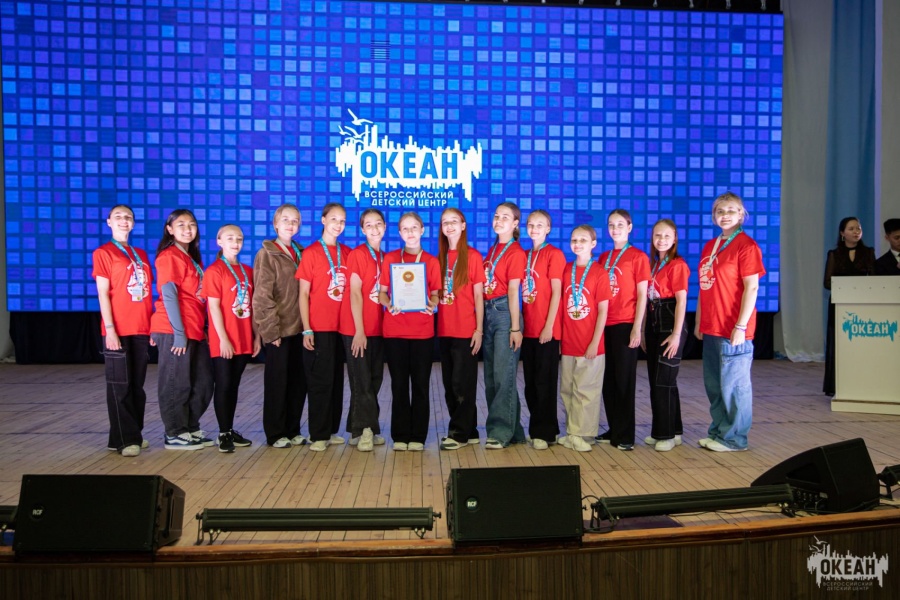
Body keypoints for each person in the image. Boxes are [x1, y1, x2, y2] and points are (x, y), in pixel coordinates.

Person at [694, 191, 765, 452]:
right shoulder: (710, 246)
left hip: (733, 328)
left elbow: (752, 288)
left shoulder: (747, 246)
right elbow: (705, 285)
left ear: (741, 215)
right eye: (720, 211)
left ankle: (734, 438)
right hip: (712, 326)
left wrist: (741, 326)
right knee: (715, 385)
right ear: (714, 216)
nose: (725, 215)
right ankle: (718, 432)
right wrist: (700, 320)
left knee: (734, 386)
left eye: (731, 211)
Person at [150, 208, 214, 450]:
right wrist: (179, 333)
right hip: (173, 329)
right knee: (176, 382)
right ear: (169, 229)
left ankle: (190, 426)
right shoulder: (169, 256)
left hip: (193, 328)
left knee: (203, 382)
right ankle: (175, 432)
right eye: (181, 225)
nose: (188, 229)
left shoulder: (191, 258)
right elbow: (169, 294)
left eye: (192, 225)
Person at [92, 205, 153, 457]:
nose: (124, 220)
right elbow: (103, 293)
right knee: (120, 386)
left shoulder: (141, 254)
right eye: (118, 217)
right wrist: (110, 329)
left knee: (137, 386)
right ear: (109, 222)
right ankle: (126, 439)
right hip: (118, 328)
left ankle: (126, 435)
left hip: (141, 326)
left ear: (133, 223)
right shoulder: (103, 252)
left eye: (128, 217)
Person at [379, 212, 441, 451]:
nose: (410, 232)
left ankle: (418, 436)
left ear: (422, 230)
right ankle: (400, 435)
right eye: (405, 228)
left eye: (414, 227)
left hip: (422, 333)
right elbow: (382, 293)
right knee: (398, 385)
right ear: (399, 233)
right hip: (394, 331)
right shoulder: (391, 258)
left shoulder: (431, 262)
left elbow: (435, 294)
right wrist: (388, 304)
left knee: (421, 385)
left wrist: (432, 304)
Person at [297, 203, 351, 452]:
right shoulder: (311, 253)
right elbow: (303, 293)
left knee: (337, 380)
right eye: (334, 219)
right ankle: (318, 434)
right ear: (323, 220)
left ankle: (331, 430)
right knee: (320, 381)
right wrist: (307, 328)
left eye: (342, 220)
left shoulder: (347, 252)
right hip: (319, 327)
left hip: (343, 328)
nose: (338, 225)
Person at [252, 203, 308, 448]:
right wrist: (270, 330)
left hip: (301, 329)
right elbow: (262, 296)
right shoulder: (266, 253)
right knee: (277, 383)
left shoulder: (301, 252)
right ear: (275, 223)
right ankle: (275, 433)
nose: (290, 224)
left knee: (298, 383)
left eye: (295, 220)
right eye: (286, 220)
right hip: (279, 330)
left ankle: (293, 429)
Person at [203, 225, 262, 453]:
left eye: (239, 239)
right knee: (224, 384)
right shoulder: (214, 271)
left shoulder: (247, 271)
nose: (235, 243)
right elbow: (214, 308)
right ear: (219, 241)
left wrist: (257, 336)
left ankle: (229, 428)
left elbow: (253, 307)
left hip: (244, 336)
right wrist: (223, 339)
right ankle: (223, 433)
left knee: (234, 385)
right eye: (230, 238)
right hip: (224, 339)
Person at [596, 209, 650, 451]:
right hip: (604, 324)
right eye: (611, 224)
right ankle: (613, 428)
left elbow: (642, 295)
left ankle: (626, 434)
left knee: (624, 381)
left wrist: (637, 328)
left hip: (625, 324)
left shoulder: (638, 257)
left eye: (620, 224)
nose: (615, 228)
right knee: (608, 380)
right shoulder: (604, 257)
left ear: (629, 227)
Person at [436, 208, 485, 451]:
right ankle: (471, 430)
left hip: (466, 330)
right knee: (449, 385)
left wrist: (479, 330)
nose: (450, 225)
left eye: (454, 221)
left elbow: (478, 296)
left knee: (462, 384)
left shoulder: (473, 256)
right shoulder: (439, 257)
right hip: (444, 330)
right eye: (445, 222)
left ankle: (459, 434)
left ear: (463, 225)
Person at [559, 225, 611, 453]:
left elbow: (603, 311)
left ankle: (583, 434)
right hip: (569, 342)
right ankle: (572, 432)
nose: (577, 244)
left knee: (586, 391)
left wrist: (594, 342)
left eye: (583, 240)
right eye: (574, 240)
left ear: (593, 244)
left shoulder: (599, 272)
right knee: (568, 389)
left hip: (590, 344)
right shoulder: (566, 270)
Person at [340, 208, 387, 452]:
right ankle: (368, 429)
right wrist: (359, 331)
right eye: (369, 225)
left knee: (374, 379)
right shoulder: (358, 254)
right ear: (362, 229)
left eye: (378, 223)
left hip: (378, 328)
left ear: (385, 227)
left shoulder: (385, 257)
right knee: (362, 380)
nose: (374, 228)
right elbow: (355, 292)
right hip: (356, 328)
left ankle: (357, 429)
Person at [482, 202, 528, 450]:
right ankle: (516, 431)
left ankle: (499, 432)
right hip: (488, 312)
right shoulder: (493, 250)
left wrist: (515, 327)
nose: (499, 220)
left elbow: (513, 291)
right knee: (493, 377)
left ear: (515, 224)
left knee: (503, 375)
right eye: (496, 216)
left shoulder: (516, 252)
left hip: (504, 315)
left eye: (505, 217)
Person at [641, 219, 690, 452]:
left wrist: (676, 334)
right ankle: (674, 430)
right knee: (659, 381)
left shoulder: (677, 265)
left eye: (666, 236)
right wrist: (643, 331)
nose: (661, 240)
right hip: (654, 325)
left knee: (664, 381)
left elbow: (681, 301)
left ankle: (666, 435)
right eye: (657, 236)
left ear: (675, 239)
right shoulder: (653, 265)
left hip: (670, 325)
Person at [520, 210, 565, 450]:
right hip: (528, 329)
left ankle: (542, 432)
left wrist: (549, 325)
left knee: (544, 383)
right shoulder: (525, 255)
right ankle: (548, 429)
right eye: (531, 224)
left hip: (546, 330)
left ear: (548, 228)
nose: (534, 228)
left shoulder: (554, 254)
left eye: (540, 225)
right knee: (530, 384)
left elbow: (557, 291)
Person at [822, 216, 876, 395]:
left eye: (858, 228)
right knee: (839, 343)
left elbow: (874, 280)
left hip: (862, 304)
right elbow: (827, 282)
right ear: (842, 233)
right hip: (839, 304)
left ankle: (860, 382)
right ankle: (837, 385)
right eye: (851, 229)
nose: (856, 232)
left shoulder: (868, 252)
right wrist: (849, 287)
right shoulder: (834, 254)